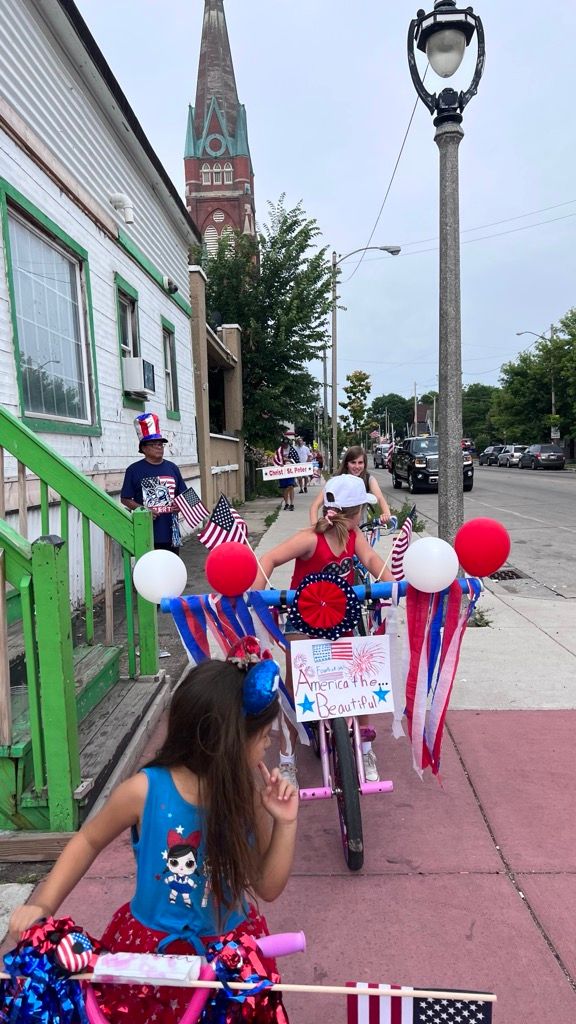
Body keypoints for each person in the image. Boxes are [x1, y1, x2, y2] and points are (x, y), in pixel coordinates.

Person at [9, 648, 298, 1024]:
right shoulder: (145, 791)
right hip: (147, 953)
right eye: (263, 736)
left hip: (227, 959)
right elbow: (88, 839)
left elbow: (268, 886)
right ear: (227, 740)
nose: (266, 746)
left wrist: (285, 823)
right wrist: (42, 905)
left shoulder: (247, 795)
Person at [253, 475, 394, 786]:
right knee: (295, 688)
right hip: (303, 618)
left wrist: (392, 582)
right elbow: (270, 558)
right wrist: (256, 596)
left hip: (340, 617)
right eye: (362, 511)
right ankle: (287, 759)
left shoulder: (355, 537)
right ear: (355, 512)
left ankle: (365, 748)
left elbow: (370, 559)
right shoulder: (309, 539)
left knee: (360, 681)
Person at [121, 413, 187, 554]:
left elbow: (185, 496)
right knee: (150, 571)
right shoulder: (133, 470)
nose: (159, 447)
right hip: (146, 532)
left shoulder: (172, 468)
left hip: (171, 532)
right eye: (154, 444)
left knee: (171, 570)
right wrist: (144, 510)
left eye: (160, 444)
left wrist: (180, 504)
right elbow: (125, 499)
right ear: (143, 448)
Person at [309, 445, 391, 526]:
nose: (357, 466)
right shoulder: (336, 480)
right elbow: (315, 505)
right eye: (353, 462)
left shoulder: (368, 479)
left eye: (360, 462)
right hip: (338, 529)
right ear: (346, 463)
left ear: (365, 464)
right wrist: (315, 527)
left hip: (361, 529)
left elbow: (380, 498)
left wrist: (386, 514)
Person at [273, 435, 299, 511]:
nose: (285, 445)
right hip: (282, 471)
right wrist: (280, 463)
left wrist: (289, 460)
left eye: (286, 444)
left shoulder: (292, 450)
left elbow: (296, 460)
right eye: (284, 444)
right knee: (284, 488)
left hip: (290, 471)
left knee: (291, 486)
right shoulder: (279, 450)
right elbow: (275, 459)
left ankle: (292, 503)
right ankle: (286, 503)